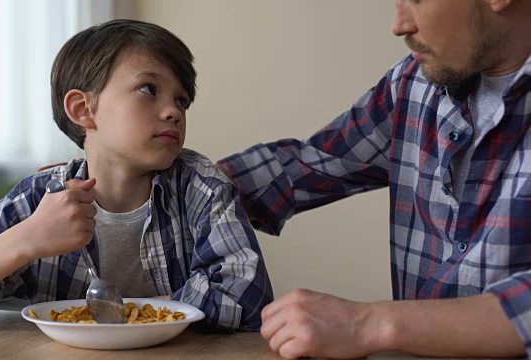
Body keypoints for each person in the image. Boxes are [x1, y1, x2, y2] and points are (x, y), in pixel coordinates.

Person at [0, 19, 273, 332]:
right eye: (149, 89)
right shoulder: (40, 199)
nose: (173, 111)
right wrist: (25, 239)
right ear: (83, 109)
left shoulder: (202, 187)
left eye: (181, 100)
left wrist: (129, 313)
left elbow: (246, 298)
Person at [216, 0, 531, 358]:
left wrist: (367, 323)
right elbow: (312, 165)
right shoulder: (413, 83)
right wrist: (183, 182)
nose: (399, 25)